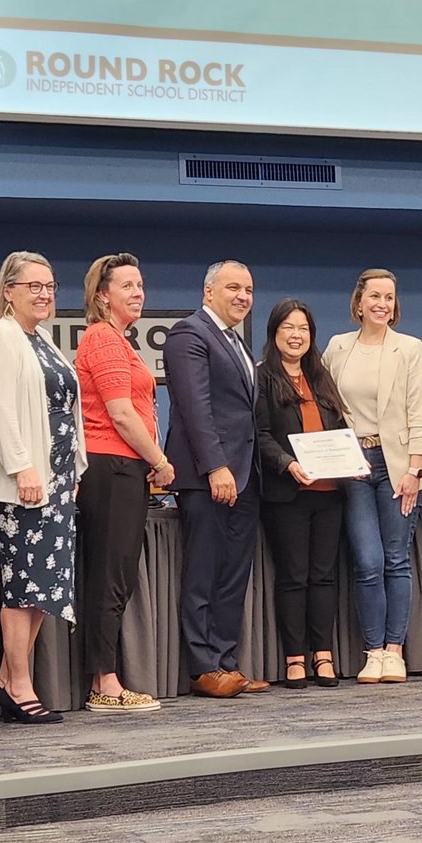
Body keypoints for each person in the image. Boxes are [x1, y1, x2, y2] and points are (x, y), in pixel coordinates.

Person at [0, 252, 85, 724]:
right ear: (9, 292)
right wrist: (22, 467)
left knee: (44, 585)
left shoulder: (41, 339)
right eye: (33, 286)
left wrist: (74, 469)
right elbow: (0, 410)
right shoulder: (0, 335)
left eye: (50, 286)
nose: (44, 294)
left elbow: (67, 410)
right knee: (23, 585)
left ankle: (5, 681)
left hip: (57, 478)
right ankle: (19, 685)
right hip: (27, 483)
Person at [164, 260, 269, 698]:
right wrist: (215, 466)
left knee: (233, 574)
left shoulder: (236, 341)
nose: (243, 296)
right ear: (209, 292)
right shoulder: (189, 334)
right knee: (204, 571)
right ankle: (203, 666)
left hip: (245, 475)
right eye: (233, 288)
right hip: (210, 475)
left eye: (248, 289)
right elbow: (195, 408)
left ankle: (226, 662)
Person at [324, 268, 422, 684]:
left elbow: (420, 413)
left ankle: (394, 651)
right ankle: (373, 652)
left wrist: (415, 469)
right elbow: (324, 405)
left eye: (388, 297)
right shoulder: (338, 347)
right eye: (374, 296)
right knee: (367, 562)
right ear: (359, 301)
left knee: (395, 560)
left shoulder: (409, 348)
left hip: (399, 467)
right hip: (354, 465)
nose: (381, 304)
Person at [75, 253, 172, 712]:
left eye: (140, 284)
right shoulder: (103, 338)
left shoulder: (120, 340)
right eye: (127, 286)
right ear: (102, 296)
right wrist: (160, 460)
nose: (138, 293)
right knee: (109, 578)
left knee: (115, 576)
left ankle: (106, 677)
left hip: (124, 467)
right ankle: (104, 683)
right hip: (111, 467)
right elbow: (120, 414)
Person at [256, 299, 347, 689]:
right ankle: (295, 658)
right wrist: (287, 463)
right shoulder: (262, 377)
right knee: (293, 576)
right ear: (274, 333)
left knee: (323, 577)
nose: (297, 336)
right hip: (287, 493)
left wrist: (351, 459)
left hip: (330, 492)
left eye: (304, 329)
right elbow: (259, 435)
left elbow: (339, 429)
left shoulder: (321, 377)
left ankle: (323, 655)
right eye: (288, 328)